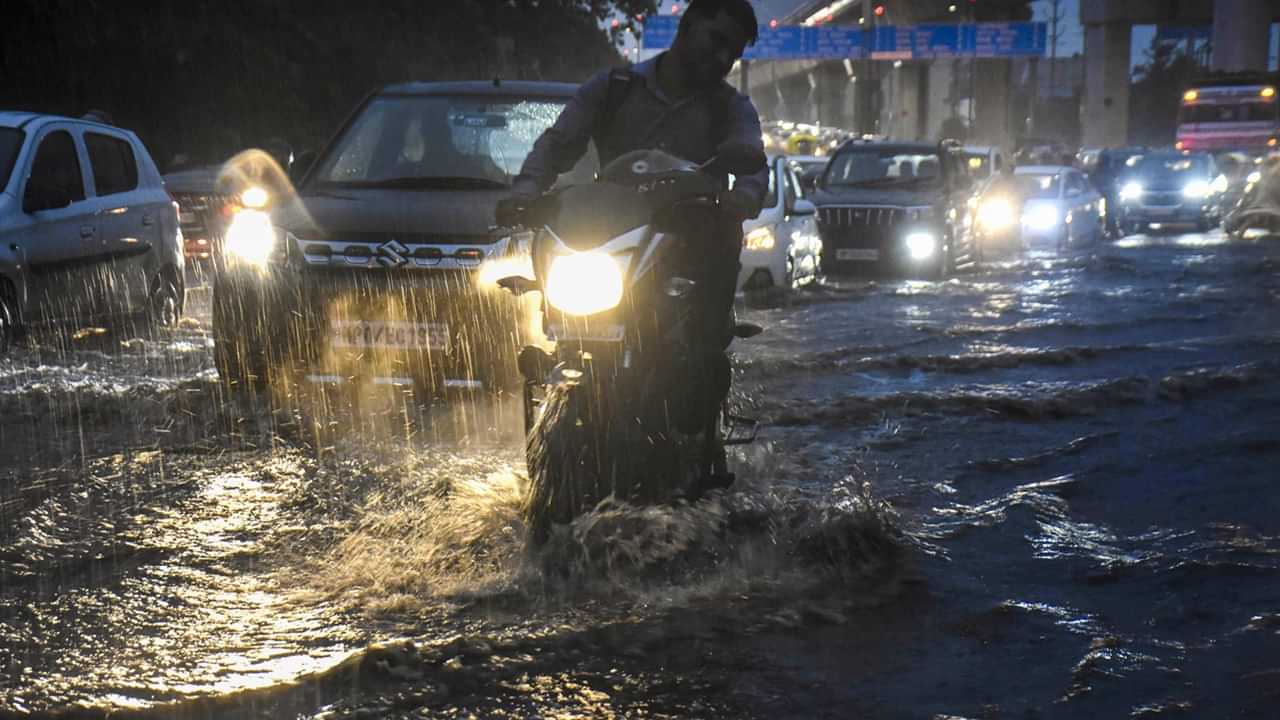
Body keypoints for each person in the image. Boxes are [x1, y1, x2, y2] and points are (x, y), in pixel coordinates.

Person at [497, 0, 768, 345]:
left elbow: (753, 163)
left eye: (732, 51)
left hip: (693, 246)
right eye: (716, 40)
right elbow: (558, 143)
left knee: (704, 343)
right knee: (554, 312)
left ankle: (704, 370)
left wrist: (742, 197)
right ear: (687, 27)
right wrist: (525, 193)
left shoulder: (731, 107)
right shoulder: (613, 88)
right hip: (610, 242)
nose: (721, 56)